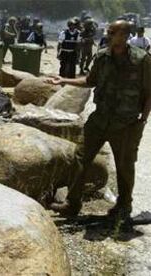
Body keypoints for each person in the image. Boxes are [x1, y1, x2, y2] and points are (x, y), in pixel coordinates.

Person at [45, 20, 151, 222]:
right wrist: (64, 80)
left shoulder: (142, 59)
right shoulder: (102, 56)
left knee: (125, 166)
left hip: (126, 124)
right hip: (100, 120)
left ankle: (123, 206)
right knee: (79, 158)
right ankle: (72, 204)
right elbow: (90, 80)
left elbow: (149, 93)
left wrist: (143, 120)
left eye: (112, 32)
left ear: (125, 35)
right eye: (108, 32)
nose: (108, 35)